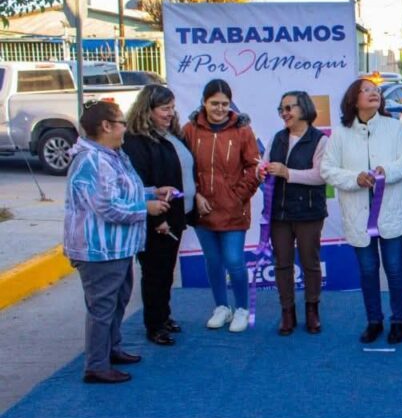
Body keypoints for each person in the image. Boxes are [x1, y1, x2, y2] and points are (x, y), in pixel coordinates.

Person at [64, 101, 171, 384]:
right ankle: (96, 365)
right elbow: (107, 206)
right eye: (121, 123)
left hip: (118, 248)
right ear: (106, 126)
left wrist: (151, 193)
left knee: (117, 302)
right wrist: (145, 208)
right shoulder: (92, 160)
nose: (125, 127)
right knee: (102, 308)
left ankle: (111, 349)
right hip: (99, 250)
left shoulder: (111, 155)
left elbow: (123, 192)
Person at [322, 78, 402, 344]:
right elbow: (328, 170)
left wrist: (388, 171)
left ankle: (398, 321)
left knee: (394, 268)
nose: (374, 93)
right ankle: (374, 320)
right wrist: (355, 178)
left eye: (376, 90)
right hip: (358, 214)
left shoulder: (394, 127)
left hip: (391, 211)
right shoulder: (340, 133)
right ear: (353, 100)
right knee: (368, 270)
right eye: (366, 90)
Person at [182, 79, 261, 334]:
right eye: (214, 103)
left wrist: (236, 196)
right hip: (203, 209)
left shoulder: (243, 130)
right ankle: (221, 307)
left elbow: (254, 167)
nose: (219, 109)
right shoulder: (190, 130)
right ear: (204, 102)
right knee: (213, 261)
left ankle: (242, 309)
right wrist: (195, 196)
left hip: (234, 210)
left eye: (225, 104)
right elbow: (183, 167)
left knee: (234, 260)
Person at [123, 85, 195, 347]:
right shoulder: (136, 141)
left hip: (175, 214)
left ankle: (163, 316)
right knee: (155, 273)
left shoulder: (171, 134)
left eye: (172, 107)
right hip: (156, 218)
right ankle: (154, 325)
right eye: (165, 108)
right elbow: (141, 184)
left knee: (166, 272)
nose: (170, 113)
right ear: (147, 110)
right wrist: (156, 219)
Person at [265, 91, 328, 336]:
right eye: (281, 109)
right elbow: (265, 163)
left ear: (304, 108)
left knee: (310, 262)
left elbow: (321, 175)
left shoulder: (320, 140)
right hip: (279, 213)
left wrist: (287, 173)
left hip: (309, 212)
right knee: (282, 263)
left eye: (289, 107)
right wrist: (262, 170)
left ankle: (312, 309)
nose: (284, 113)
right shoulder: (277, 138)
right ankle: (287, 311)